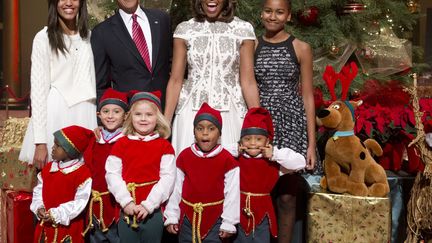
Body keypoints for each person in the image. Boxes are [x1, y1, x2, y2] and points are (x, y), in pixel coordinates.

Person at [254, 0, 317, 242]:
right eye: (268, 11)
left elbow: (308, 96)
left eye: (279, 12)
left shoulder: (301, 47)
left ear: (288, 16)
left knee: (287, 197)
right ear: (261, 13)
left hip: (292, 125)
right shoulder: (253, 45)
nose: (273, 16)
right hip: (262, 124)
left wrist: (311, 144)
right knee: (261, 191)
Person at [164, 0, 261, 155]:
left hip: (231, 111)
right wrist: (166, 122)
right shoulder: (185, 29)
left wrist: (258, 122)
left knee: (228, 171)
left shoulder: (243, 29)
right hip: (190, 111)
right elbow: (176, 80)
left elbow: (248, 81)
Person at [20, 0, 97, 169]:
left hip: (87, 113)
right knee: (55, 178)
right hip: (57, 113)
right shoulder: (43, 37)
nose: (68, 3)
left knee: (85, 177)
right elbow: (39, 91)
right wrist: (40, 142)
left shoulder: (89, 36)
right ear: (54, 3)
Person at [224, 107, 305, 243]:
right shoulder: (236, 159)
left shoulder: (274, 163)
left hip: (262, 215)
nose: (253, 143)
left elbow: (300, 163)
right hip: (237, 211)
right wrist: (235, 149)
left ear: (267, 142)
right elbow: (219, 153)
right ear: (241, 142)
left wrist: (275, 154)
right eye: (247, 139)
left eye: (259, 139)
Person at [105, 91, 175, 242]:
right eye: (138, 114)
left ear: (158, 118)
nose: (143, 119)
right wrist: (126, 202)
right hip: (126, 210)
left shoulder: (164, 146)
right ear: (130, 117)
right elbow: (112, 174)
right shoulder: (120, 145)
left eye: (149, 114)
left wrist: (149, 205)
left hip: (153, 211)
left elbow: (168, 179)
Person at [164, 102, 240, 243]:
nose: (205, 133)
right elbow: (175, 189)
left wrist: (229, 222)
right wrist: (172, 215)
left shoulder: (228, 160)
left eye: (211, 129)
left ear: (220, 133)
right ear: (194, 132)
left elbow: (233, 193)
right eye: (200, 128)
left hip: (216, 220)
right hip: (187, 219)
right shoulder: (184, 156)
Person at [91, 0, 172, 107]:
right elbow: (101, 86)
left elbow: (172, 63)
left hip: (165, 108)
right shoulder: (102, 32)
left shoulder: (162, 19)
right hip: (128, 112)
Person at [30, 125, 94, 243]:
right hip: (46, 226)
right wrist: (39, 207)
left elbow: (80, 201)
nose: (53, 148)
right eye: (54, 144)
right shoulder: (49, 168)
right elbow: (39, 190)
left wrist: (57, 213)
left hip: (68, 228)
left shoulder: (82, 173)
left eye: (58, 146)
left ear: (71, 150)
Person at [82, 88, 128, 242]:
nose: (110, 116)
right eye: (106, 111)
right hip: (95, 204)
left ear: (125, 116)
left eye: (116, 111)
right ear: (98, 115)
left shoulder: (127, 141)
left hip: (117, 205)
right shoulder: (93, 140)